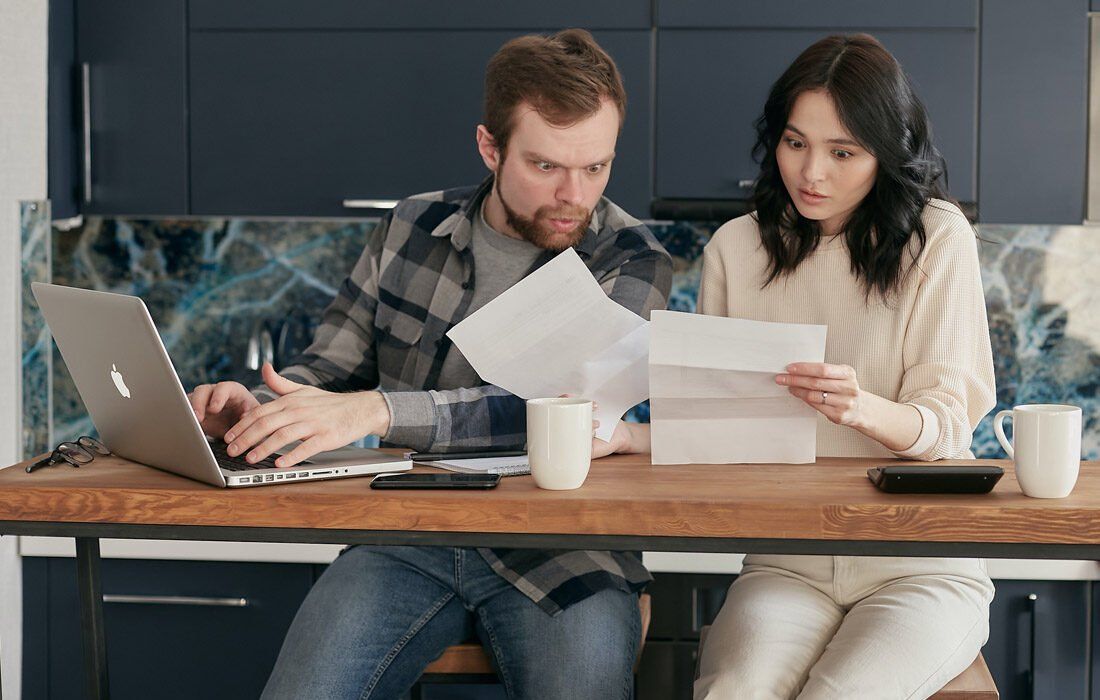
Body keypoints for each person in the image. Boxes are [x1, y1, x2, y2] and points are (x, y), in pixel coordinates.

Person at [187, 29, 672, 699]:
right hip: (406, 529)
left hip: (565, 544)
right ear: (490, 148)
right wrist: (262, 408)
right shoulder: (410, 226)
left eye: (596, 167)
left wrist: (380, 410)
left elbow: (553, 411)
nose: (574, 194)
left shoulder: (632, 259)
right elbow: (329, 368)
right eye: (546, 166)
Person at [599, 34, 996, 699]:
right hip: (786, 563)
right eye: (795, 143)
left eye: (843, 152)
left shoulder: (939, 237)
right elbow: (722, 427)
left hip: (920, 567)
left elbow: (948, 430)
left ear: (886, 152)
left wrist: (858, 406)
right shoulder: (737, 247)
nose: (812, 173)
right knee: (732, 692)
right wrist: (630, 437)